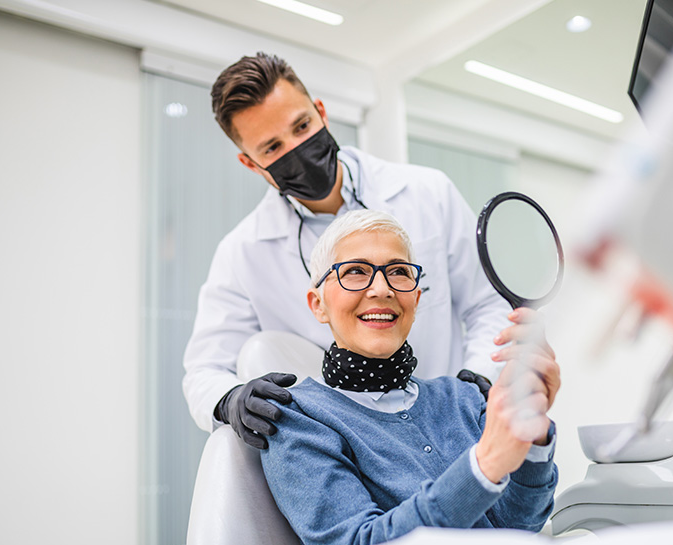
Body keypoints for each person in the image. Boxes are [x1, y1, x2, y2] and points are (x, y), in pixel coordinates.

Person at [183, 53, 511, 448]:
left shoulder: (428, 194)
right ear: (251, 164)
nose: (297, 150)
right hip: (348, 450)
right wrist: (229, 399)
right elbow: (205, 368)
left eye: (302, 126)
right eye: (272, 147)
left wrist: (476, 381)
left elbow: (488, 305)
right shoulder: (243, 252)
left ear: (321, 112)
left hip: (453, 426)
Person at [260, 209, 559, 545]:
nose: (381, 289)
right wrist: (485, 464)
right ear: (318, 304)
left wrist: (533, 437)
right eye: (355, 271)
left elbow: (519, 525)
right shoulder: (299, 421)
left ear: (415, 299)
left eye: (399, 272)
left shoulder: (463, 399)